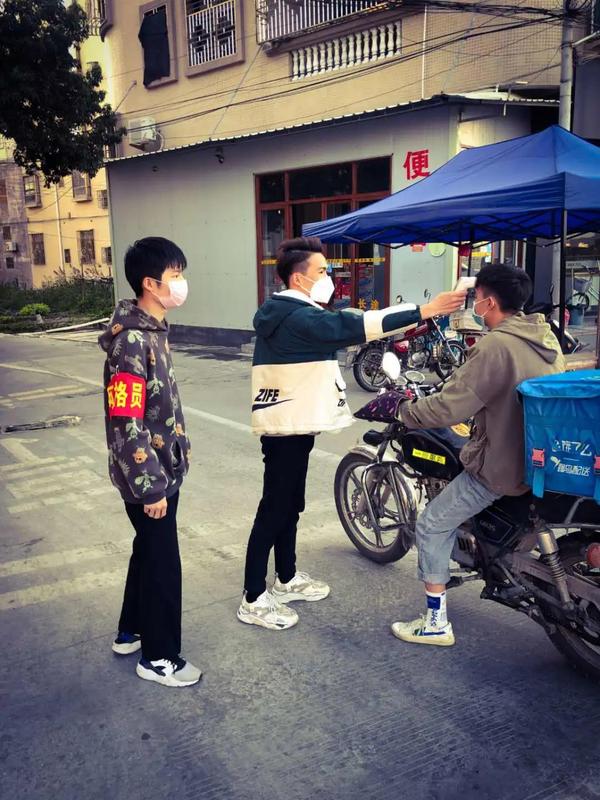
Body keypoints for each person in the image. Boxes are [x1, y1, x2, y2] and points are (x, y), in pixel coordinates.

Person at [237, 236, 467, 631]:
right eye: (321, 271)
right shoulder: (296, 317)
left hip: (296, 423)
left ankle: (286, 578)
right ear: (299, 278)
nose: (328, 277)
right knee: (275, 508)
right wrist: (426, 309)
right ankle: (253, 597)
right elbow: (353, 324)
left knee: (290, 504)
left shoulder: (293, 313)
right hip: (285, 428)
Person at [391, 264, 565, 647]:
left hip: (503, 465)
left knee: (432, 524)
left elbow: (448, 407)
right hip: (541, 460)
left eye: (477, 298)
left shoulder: (495, 345)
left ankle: (435, 623)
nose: (475, 305)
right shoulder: (544, 336)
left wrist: (403, 411)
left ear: (489, 302)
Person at [99, 236, 201, 688]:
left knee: (147, 551)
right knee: (162, 565)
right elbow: (126, 420)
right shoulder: (132, 341)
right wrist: (150, 486)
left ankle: (131, 631)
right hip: (149, 477)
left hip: (161, 467)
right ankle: (159, 658)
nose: (181, 283)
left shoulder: (153, 331)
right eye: (174, 275)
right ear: (150, 283)